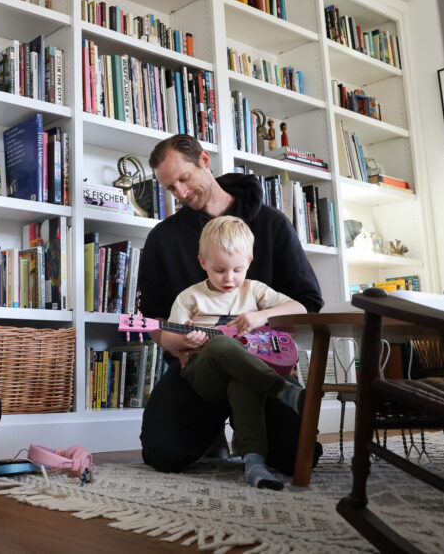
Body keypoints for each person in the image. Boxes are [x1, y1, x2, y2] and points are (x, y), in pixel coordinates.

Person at [138, 134, 323, 475]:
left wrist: (264, 327)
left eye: (184, 179)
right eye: (170, 188)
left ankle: (254, 427)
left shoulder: (272, 223)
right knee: (162, 453)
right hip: (196, 369)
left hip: (263, 364)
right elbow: (152, 318)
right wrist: (176, 342)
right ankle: (211, 434)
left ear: (204, 161)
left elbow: (308, 303)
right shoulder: (162, 238)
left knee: (299, 455)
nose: (181, 193)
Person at [155, 215, 307, 489]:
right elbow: (167, 339)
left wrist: (261, 316)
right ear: (203, 262)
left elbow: (300, 310)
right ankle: (283, 390)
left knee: (243, 380)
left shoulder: (254, 290)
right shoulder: (190, 297)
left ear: (249, 261)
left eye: (237, 269)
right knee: (221, 344)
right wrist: (186, 340)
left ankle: (254, 463)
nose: (229, 278)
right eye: (219, 270)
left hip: (245, 371)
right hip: (203, 374)